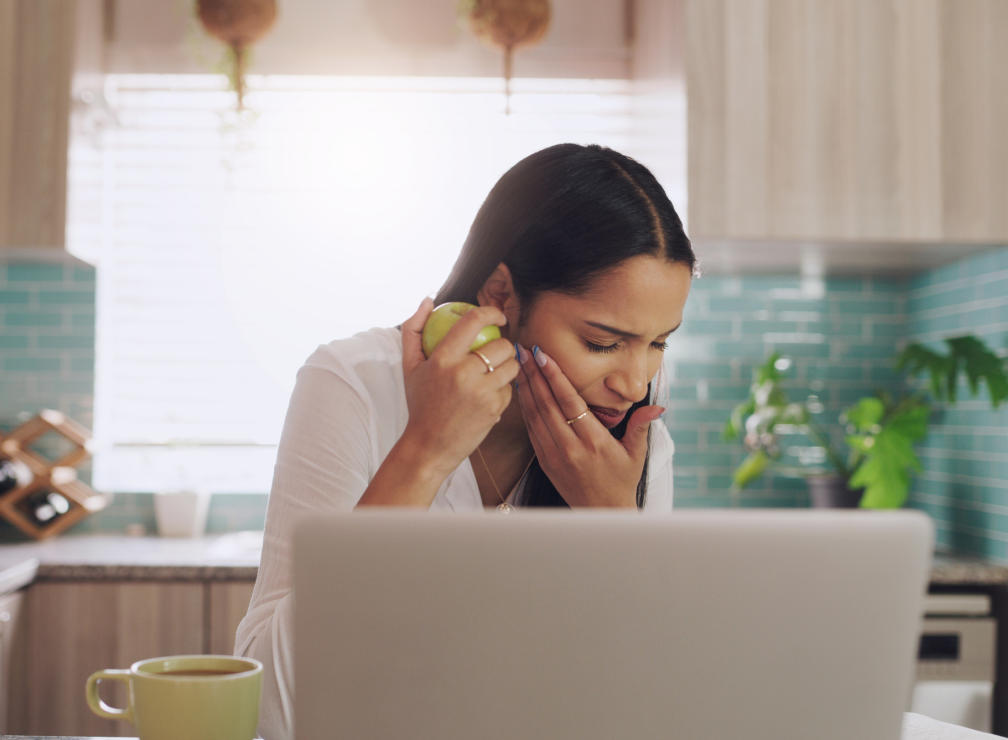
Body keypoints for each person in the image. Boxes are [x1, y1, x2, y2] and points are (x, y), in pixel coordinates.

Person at [235, 143, 698, 739]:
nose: (634, 383)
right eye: (603, 343)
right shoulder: (354, 385)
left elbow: (651, 712)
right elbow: (276, 710)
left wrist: (611, 523)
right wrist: (424, 451)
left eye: (659, 342)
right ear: (502, 296)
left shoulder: (631, 446)